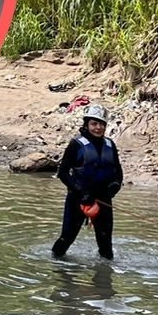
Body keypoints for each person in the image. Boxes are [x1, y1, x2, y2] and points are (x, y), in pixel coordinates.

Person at [51, 104, 124, 260]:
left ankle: (104, 276)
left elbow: (118, 172)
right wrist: (82, 192)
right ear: (86, 124)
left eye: (102, 124)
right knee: (67, 238)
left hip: (103, 199)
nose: (98, 127)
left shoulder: (110, 145)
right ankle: (56, 265)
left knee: (106, 245)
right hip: (78, 199)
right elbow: (63, 173)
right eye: (94, 124)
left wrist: (115, 186)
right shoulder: (76, 145)